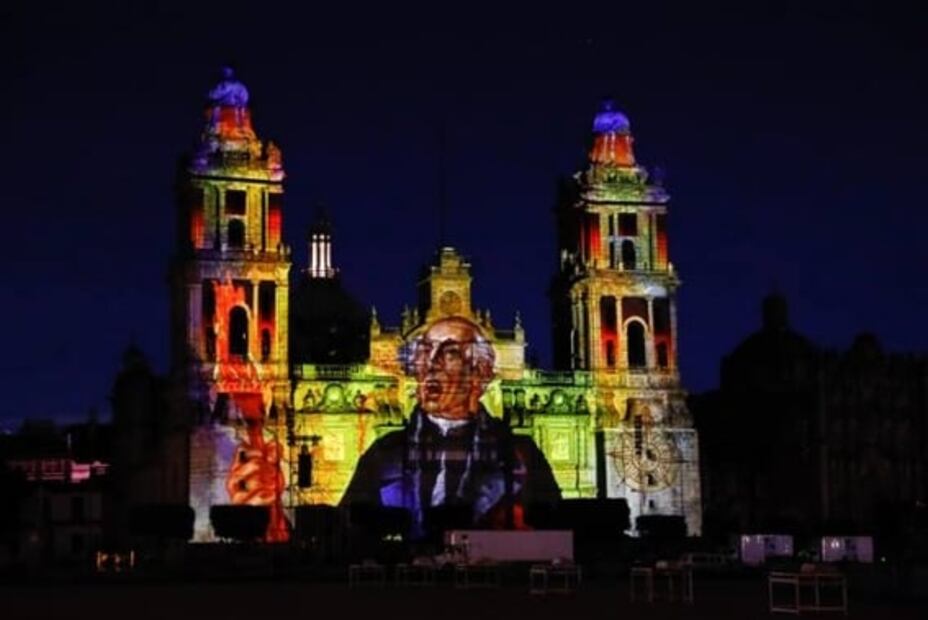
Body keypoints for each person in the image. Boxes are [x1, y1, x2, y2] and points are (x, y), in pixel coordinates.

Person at [340, 317, 561, 536]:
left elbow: (551, 521)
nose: (431, 364)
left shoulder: (519, 453)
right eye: (425, 353)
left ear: (481, 373)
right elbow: (348, 522)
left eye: (450, 353)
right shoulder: (386, 451)